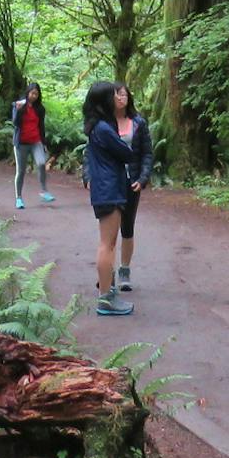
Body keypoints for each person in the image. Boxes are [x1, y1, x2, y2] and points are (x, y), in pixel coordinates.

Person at [82, 79, 139, 316]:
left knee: (110, 243)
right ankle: (105, 298)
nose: (118, 98)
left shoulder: (98, 126)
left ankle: (108, 293)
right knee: (107, 244)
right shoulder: (104, 129)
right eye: (113, 95)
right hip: (108, 189)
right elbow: (127, 153)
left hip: (107, 188)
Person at [109, 85, 154, 292]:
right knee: (109, 230)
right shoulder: (105, 123)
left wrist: (143, 178)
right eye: (118, 94)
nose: (121, 97)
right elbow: (92, 151)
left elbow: (147, 153)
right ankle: (107, 272)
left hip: (131, 182)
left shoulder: (138, 123)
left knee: (127, 227)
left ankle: (124, 270)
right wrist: (88, 176)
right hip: (110, 182)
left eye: (124, 94)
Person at [10, 83, 54, 210]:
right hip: (21, 143)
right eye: (32, 93)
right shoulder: (19, 105)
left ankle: (44, 191)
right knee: (21, 171)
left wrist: (44, 143)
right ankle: (19, 198)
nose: (34, 96)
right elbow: (15, 123)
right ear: (27, 93)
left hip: (36, 141)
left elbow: (41, 126)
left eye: (36, 94)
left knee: (41, 163)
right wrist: (18, 110)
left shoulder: (40, 109)